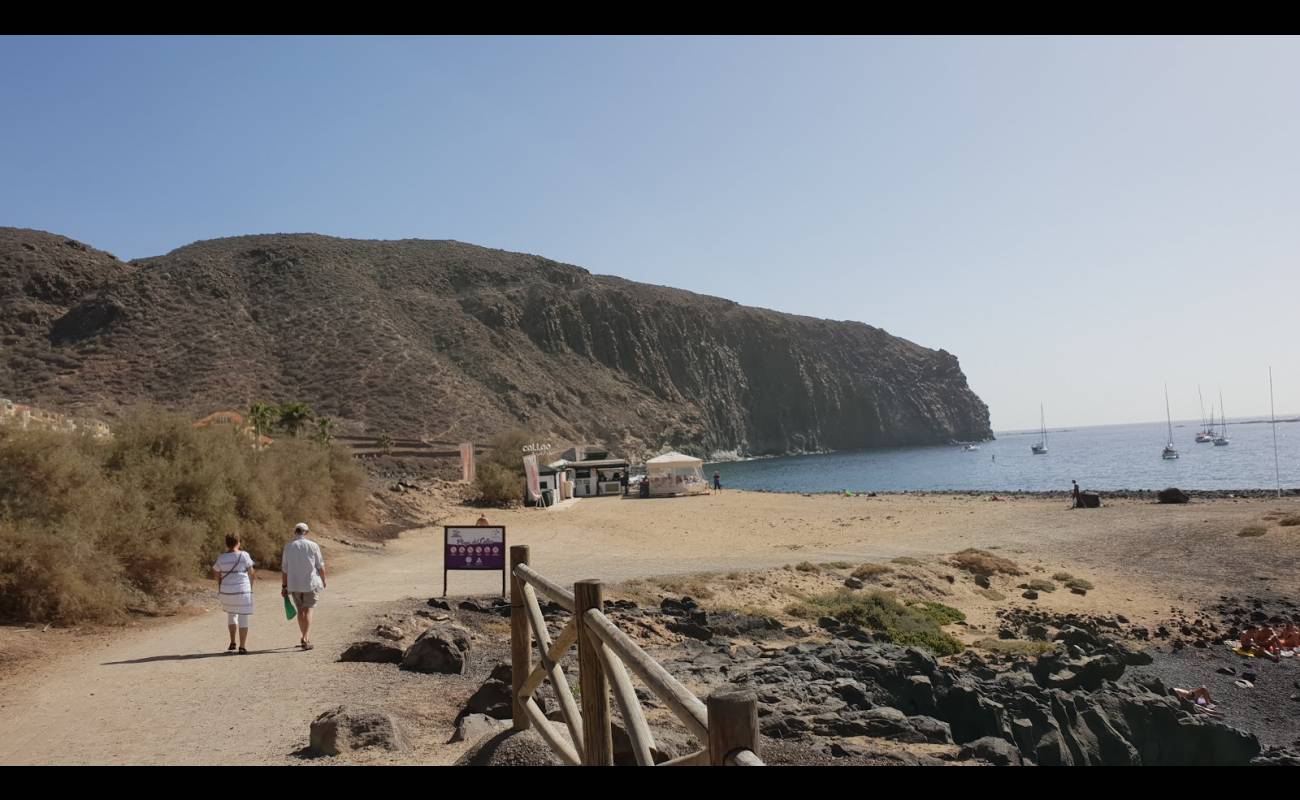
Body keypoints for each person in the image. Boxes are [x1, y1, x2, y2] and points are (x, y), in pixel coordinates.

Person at [281, 522, 326, 651]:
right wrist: (324, 579)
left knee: (301, 610)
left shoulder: (288, 547)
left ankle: (304, 636)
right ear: (306, 532)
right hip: (310, 583)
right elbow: (320, 566)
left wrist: (284, 586)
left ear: (295, 532)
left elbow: (285, 569)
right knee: (309, 609)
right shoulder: (313, 546)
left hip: (294, 584)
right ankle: (305, 637)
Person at [213, 534, 255, 654]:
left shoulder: (221, 558)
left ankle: (232, 642)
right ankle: (242, 646)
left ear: (226, 543)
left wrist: (221, 585)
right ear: (238, 542)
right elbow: (251, 572)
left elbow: (216, 572)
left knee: (231, 615)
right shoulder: (244, 555)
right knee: (243, 617)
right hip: (242, 591)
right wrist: (250, 587)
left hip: (227, 593)